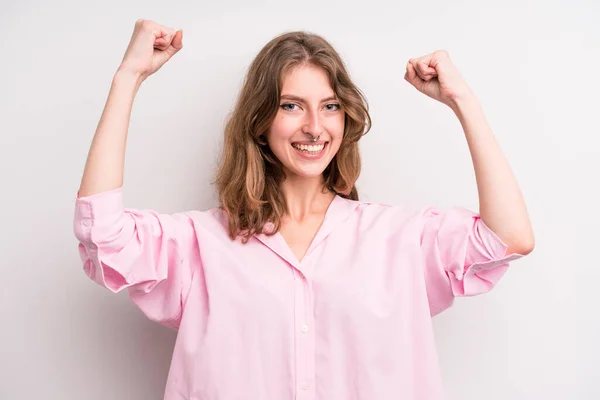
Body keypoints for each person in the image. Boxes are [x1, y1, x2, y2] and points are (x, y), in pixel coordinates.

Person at [73, 19, 534, 400]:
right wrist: (128, 78)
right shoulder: (199, 245)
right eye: (292, 106)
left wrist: (462, 101)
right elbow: (102, 235)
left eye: (330, 106)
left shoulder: (399, 237)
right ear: (259, 122)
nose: (315, 127)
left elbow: (509, 238)